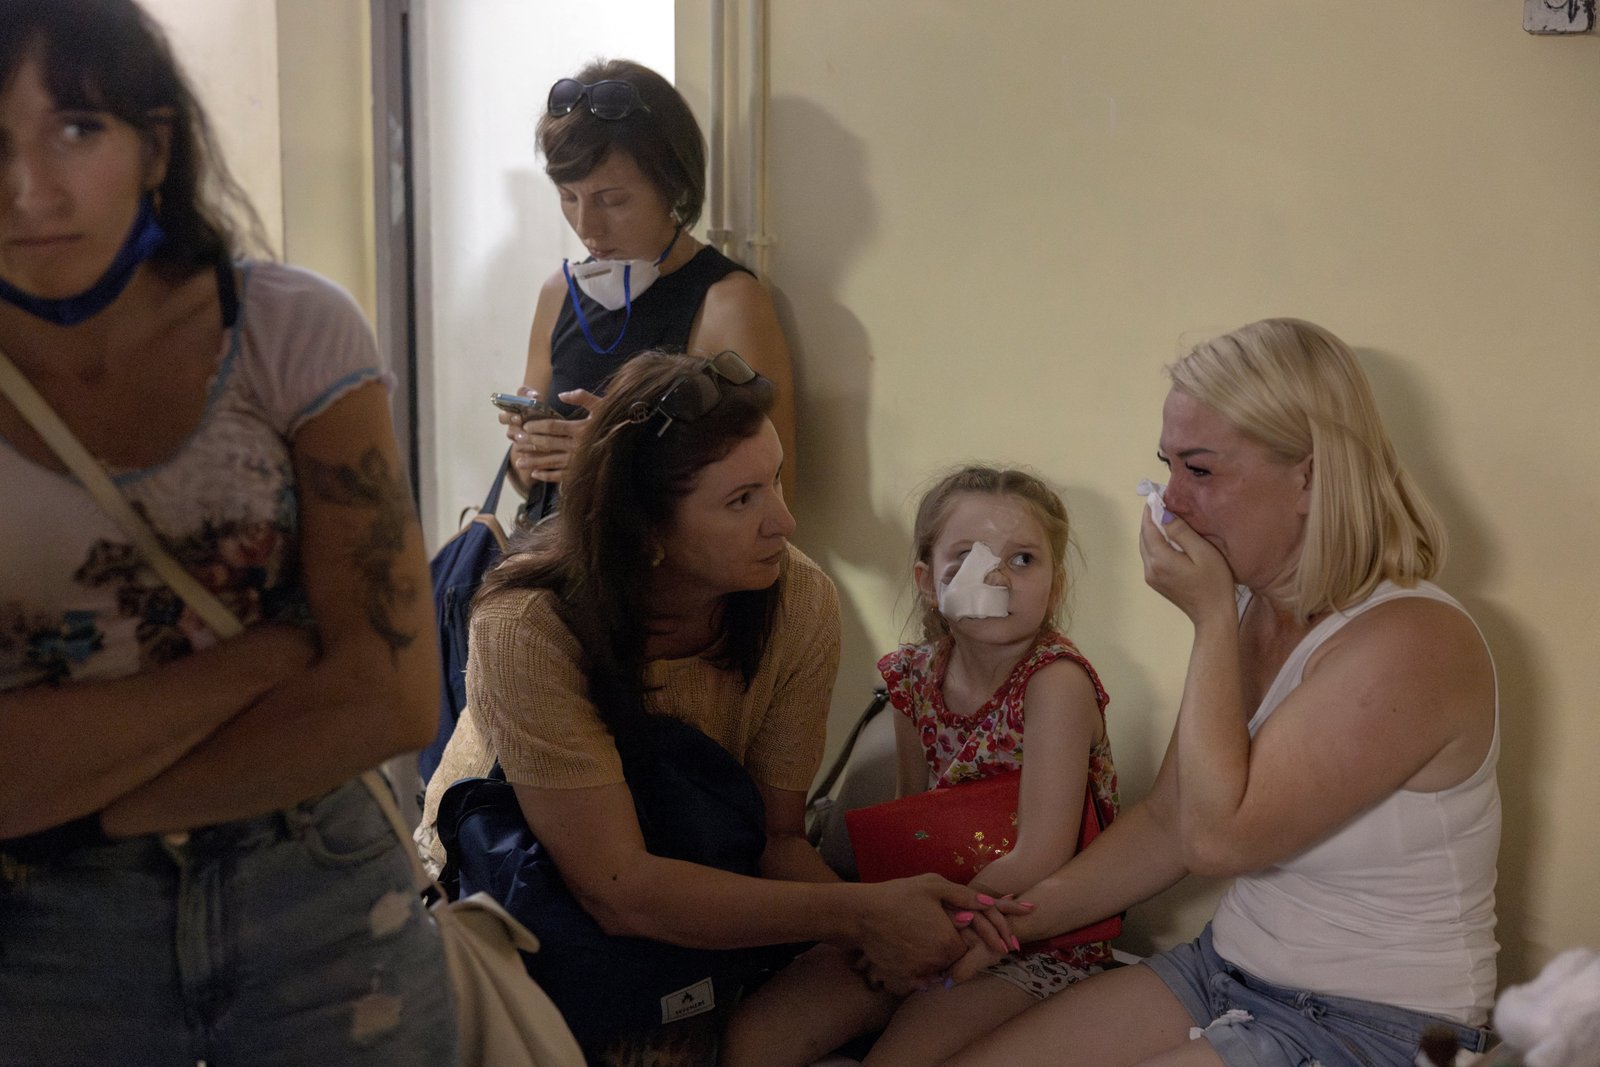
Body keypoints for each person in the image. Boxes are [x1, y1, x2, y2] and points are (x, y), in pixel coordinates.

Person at [0, 2, 455, 1064]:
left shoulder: (290, 331)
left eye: (77, 129)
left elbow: (390, 694)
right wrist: (271, 653)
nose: (31, 192)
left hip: (322, 891)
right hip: (43, 935)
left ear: (155, 144)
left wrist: (79, 806)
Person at [420, 351, 1016, 1064]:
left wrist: (890, 929)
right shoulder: (527, 626)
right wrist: (860, 912)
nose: (785, 521)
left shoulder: (798, 601)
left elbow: (776, 839)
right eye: (742, 500)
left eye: (777, 479)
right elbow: (617, 887)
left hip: (684, 864)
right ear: (646, 533)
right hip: (522, 896)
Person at [942, 319, 1500, 1067]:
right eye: (1166, 466)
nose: (1169, 501)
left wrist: (1207, 616)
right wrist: (996, 926)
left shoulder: (1413, 643)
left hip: (1375, 1023)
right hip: (1220, 968)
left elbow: (1215, 839)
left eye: (1200, 471)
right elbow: (1170, 820)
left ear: (1308, 477)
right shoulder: (1253, 603)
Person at [721, 466, 1119, 1067]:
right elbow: (916, 823)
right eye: (968, 556)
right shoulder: (911, 678)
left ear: (1055, 587)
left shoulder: (1056, 684)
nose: (994, 575)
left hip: (1030, 935)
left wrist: (929, 932)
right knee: (753, 1040)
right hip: (931, 916)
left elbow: (1041, 856)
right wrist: (886, 929)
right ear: (929, 582)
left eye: (1022, 561)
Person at [501, 58, 796, 520]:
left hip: (661, 584)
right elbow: (534, 486)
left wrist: (613, 461)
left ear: (672, 184)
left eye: (612, 200)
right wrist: (527, 457)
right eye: (568, 197)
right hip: (550, 573)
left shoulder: (727, 302)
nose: (585, 225)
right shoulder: (559, 292)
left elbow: (774, 495)